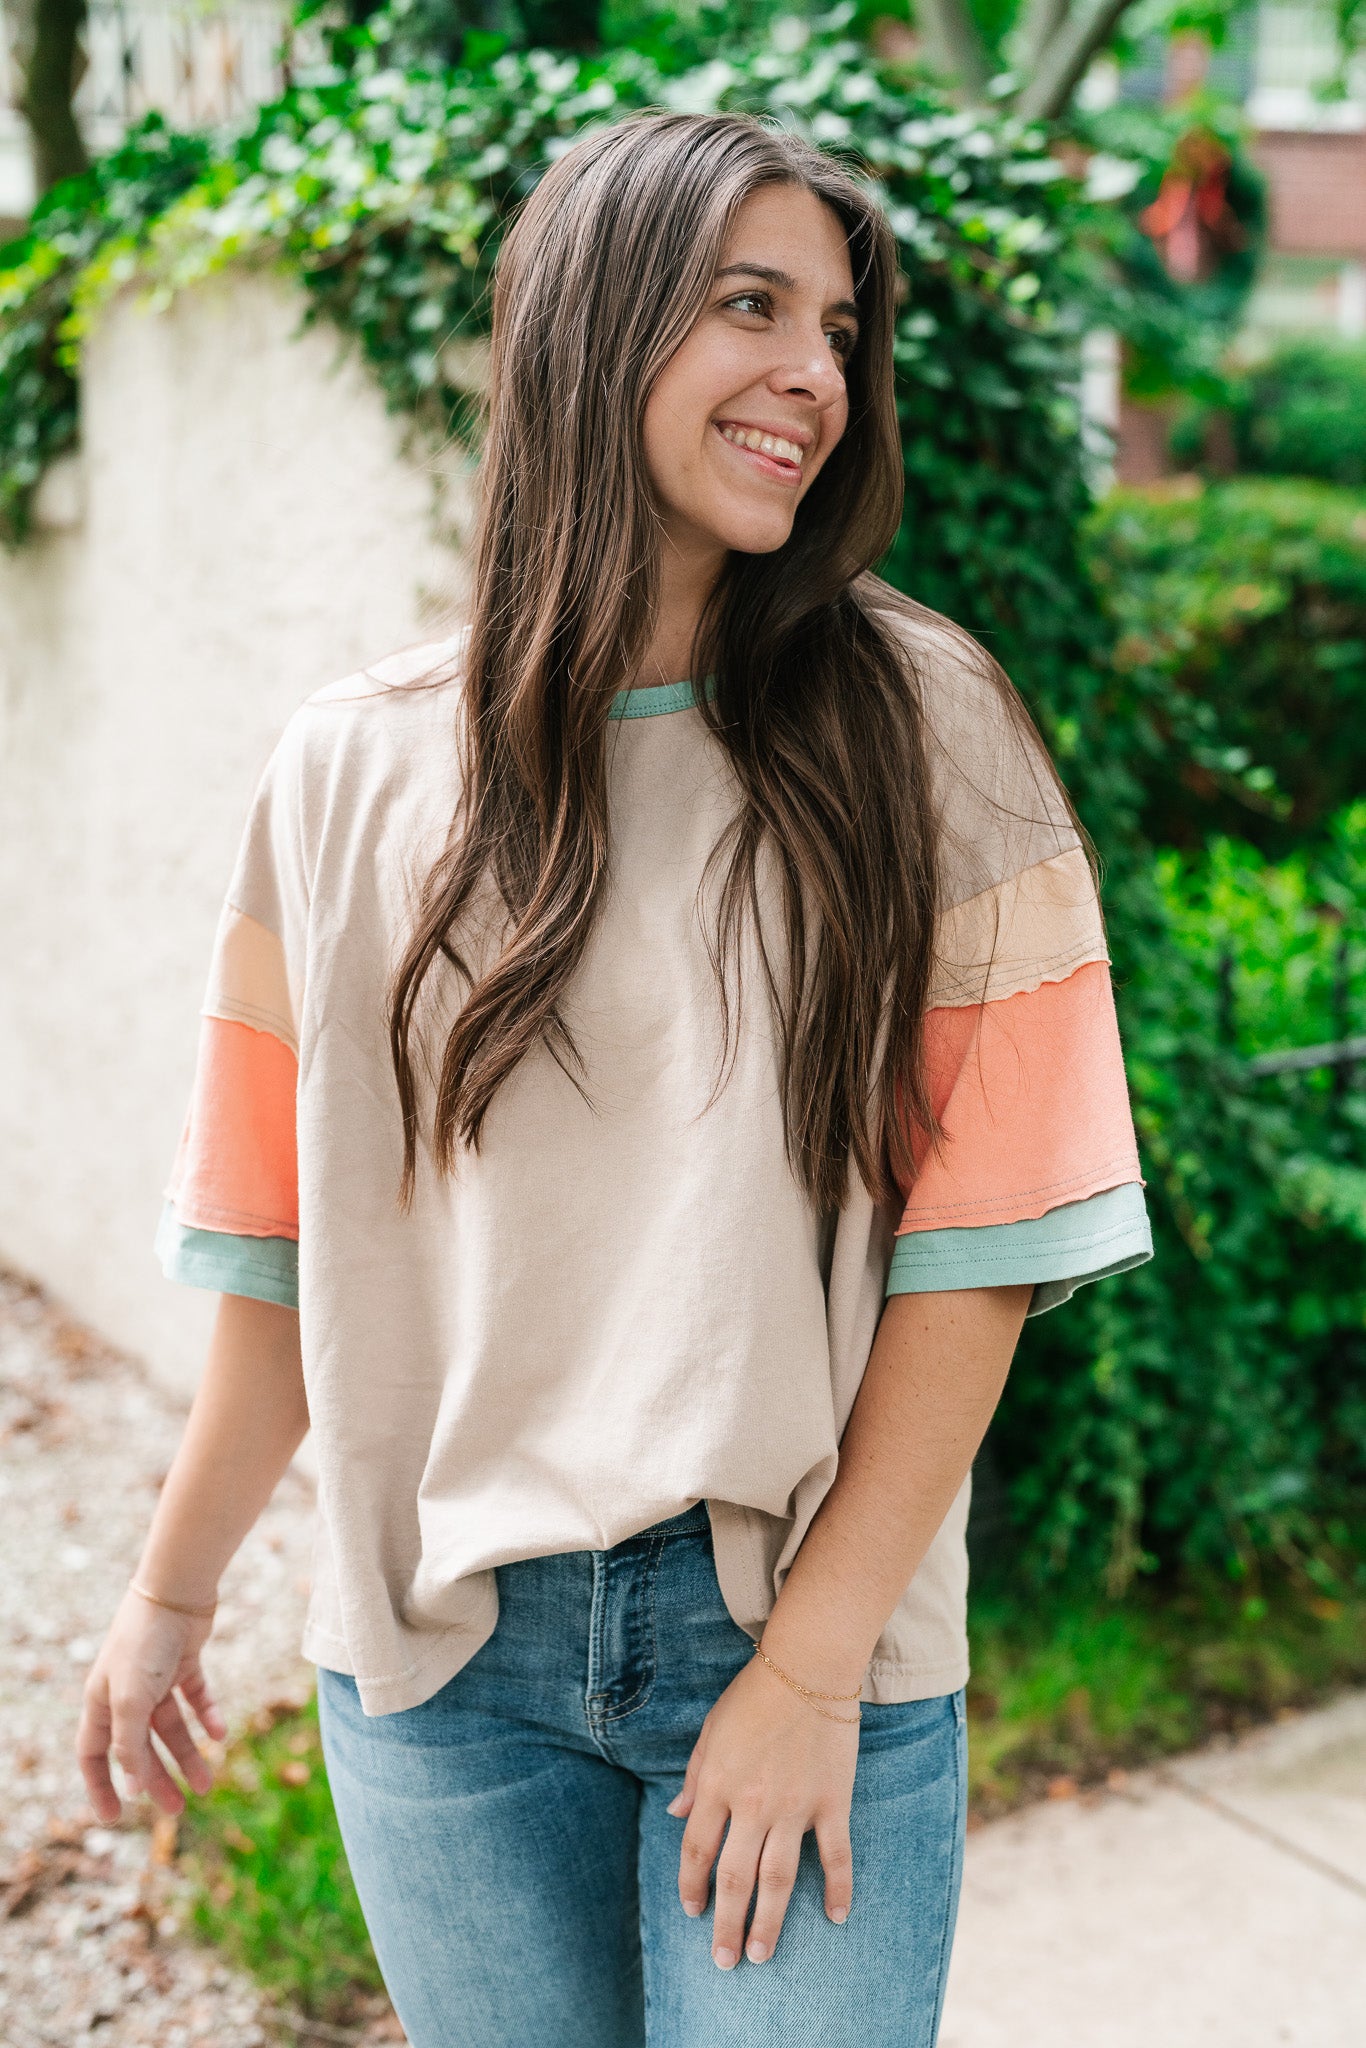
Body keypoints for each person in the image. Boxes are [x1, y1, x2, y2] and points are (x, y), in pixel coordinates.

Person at [77, 110, 1153, 2048]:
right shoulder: (346, 767)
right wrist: (168, 1592)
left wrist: (809, 1667)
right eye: (750, 305)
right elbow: (279, 1235)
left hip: (796, 1627)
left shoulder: (926, 725)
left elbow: (983, 1242)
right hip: (442, 1665)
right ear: (589, 325)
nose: (811, 375)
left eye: (836, 325)